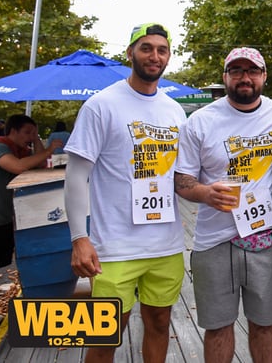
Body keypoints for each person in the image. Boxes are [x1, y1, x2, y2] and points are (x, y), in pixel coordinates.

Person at [64, 23, 186, 363]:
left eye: (162, 50)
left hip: (167, 244)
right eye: (146, 48)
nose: (154, 56)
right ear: (130, 52)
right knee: (106, 336)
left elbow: (183, 173)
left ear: (168, 57)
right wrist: (79, 238)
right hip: (114, 248)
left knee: (160, 324)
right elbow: (76, 175)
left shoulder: (174, 111)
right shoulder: (101, 105)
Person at [174, 47, 272, 363]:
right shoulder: (199, 122)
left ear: (263, 76)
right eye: (236, 71)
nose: (244, 77)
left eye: (251, 71)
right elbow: (182, 181)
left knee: (265, 323)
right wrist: (206, 193)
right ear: (225, 78)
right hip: (213, 241)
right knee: (218, 326)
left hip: (264, 238)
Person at [0, 114, 64, 325]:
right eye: (27, 132)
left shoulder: (21, 149)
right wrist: (49, 149)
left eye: (33, 133)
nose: (31, 137)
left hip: (4, 215)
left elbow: (38, 165)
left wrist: (37, 139)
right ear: (12, 131)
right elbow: (18, 167)